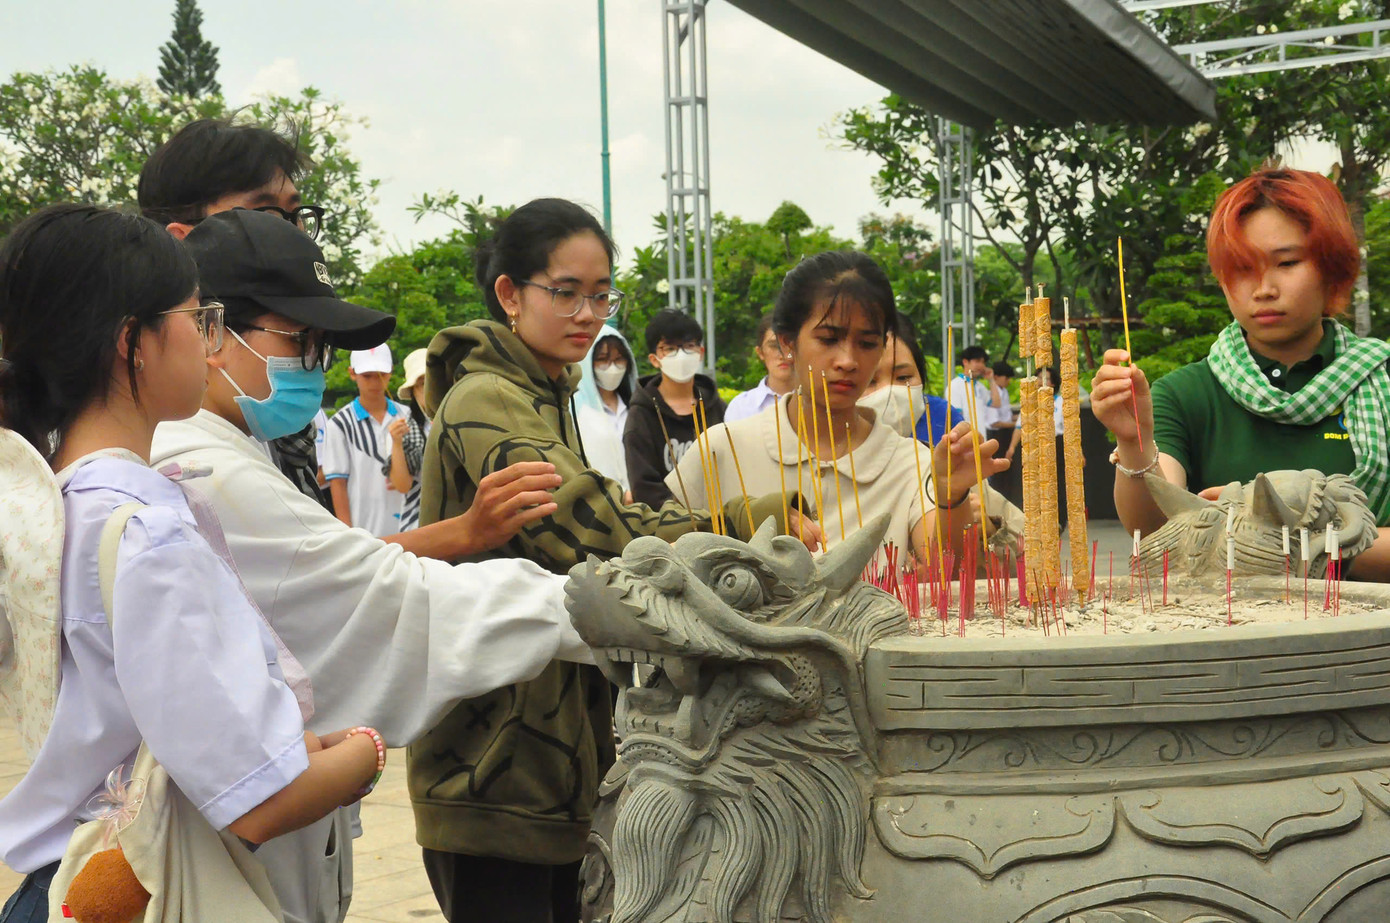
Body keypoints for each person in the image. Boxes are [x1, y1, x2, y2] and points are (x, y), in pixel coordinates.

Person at [148, 208, 599, 923]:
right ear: (208, 329)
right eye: (298, 341)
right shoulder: (201, 469)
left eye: (323, 348)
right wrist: (608, 605)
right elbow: (381, 591)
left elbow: (338, 563)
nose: (312, 367)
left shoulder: (236, 449)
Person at [415, 198, 816, 923]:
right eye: (564, 291)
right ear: (510, 293)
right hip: (494, 765)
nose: (586, 312)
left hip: (549, 757)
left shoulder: (546, 392)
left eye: (600, 294)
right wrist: (744, 522)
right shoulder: (488, 398)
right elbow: (591, 529)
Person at [0, 205, 381, 920]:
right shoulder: (147, 535)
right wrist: (366, 748)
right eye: (197, 317)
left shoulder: (48, 504)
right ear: (131, 343)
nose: (209, 342)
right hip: (139, 886)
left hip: (69, 884)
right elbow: (261, 802)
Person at [1091, 166, 1390, 579]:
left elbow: (1197, 532)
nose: (1263, 288)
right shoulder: (1186, 393)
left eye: (1287, 263)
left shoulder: (1382, 381)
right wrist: (1133, 442)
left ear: (1332, 269)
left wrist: (1262, 534)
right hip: (1230, 636)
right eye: (1243, 268)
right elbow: (1154, 528)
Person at [668, 250, 1007, 563]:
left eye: (867, 343)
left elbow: (944, 564)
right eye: (828, 339)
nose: (848, 360)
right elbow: (660, 560)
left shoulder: (911, 463)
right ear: (788, 343)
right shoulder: (721, 450)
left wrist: (951, 494)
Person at [138, 116, 331, 509]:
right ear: (183, 243)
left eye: (296, 215)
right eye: (264, 216)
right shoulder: (165, 438)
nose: (293, 235)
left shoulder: (275, 420)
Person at [623, 308, 723, 507]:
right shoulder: (641, 416)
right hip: (666, 530)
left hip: (721, 523)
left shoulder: (718, 409)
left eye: (689, 346)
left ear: (700, 353)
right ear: (654, 359)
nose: (681, 355)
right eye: (669, 348)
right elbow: (644, 487)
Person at [324, 344, 408, 537]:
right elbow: (337, 482)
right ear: (352, 374)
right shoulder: (340, 424)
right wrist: (348, 533)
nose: (375, 382)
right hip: (364, 528)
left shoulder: (408, 416)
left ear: (391, 373)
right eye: (367, 376)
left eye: (381, 374)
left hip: (409, 524)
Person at [861, 314, 964, 443]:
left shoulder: (943, 417)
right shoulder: (834, 433)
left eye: (903, 377)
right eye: (870, 381)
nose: (890, 393)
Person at [572, 325, 638, 496]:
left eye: (619, 360)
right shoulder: (578, 412)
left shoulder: (638, 409)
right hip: (602, 506)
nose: (612, 368)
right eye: (603, 359)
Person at [724, 313, 795, 422]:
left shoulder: (819, 402)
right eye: (774, 346)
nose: (783, 355)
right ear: (760, 352)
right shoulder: (740, 408)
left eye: (789, 345)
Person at [392, 347, 431, 531]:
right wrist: (396, 444)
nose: (430, 389)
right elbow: (403, 485)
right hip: (417, 523)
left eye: (434, 380)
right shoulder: (403, 428)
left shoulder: (458, 419)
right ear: (413, 391)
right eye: (423, 383)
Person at [948, 345, 1003, 431]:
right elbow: (955, 417)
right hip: (966, 440)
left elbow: (996, 403)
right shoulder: (954, 385)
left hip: (981, 438)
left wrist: (991, 380)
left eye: (983, 362)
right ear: (965, 362)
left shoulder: (979, 386)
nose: (981, 365)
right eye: (977, 361)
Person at [987, 361, 1017, 430]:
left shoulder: (1004, 391)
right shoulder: (992, 394)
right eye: (1006, 378)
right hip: (995, 433)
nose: (1009, 381)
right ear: (996, 377)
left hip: (1006, 429)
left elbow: (1006, 416)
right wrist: (1017, 424)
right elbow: (994, 423)